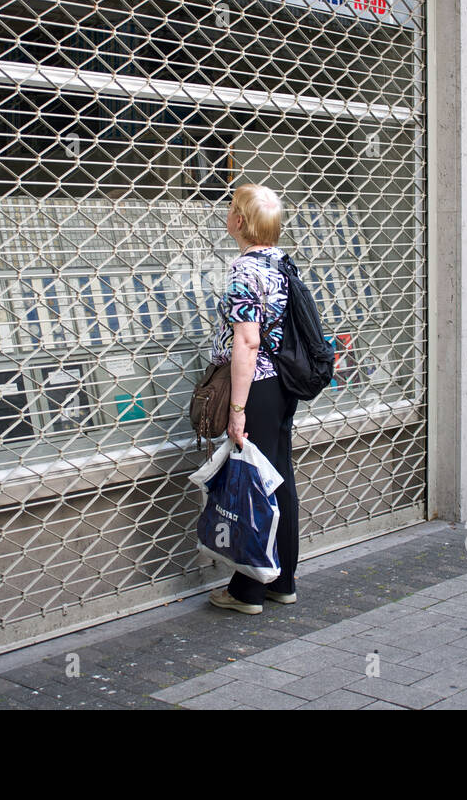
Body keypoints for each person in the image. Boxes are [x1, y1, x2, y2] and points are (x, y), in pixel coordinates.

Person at [206, 184, 300, 615]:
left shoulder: (245, 270)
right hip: (281, 386)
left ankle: (247, 592)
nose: (227, 215)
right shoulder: (282, 262)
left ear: (239, 221)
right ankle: (282, 581)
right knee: (278, 480)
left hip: (255, 388)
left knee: (252, 487)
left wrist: (237, 411)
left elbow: (246, 343)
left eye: (230, 209)